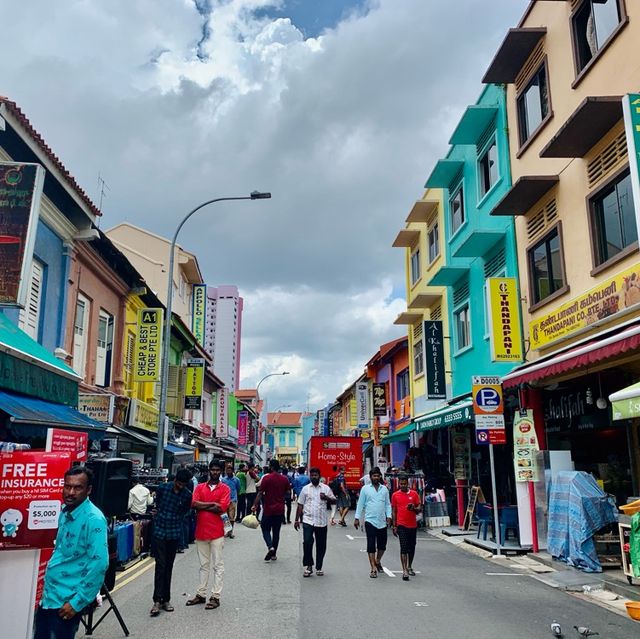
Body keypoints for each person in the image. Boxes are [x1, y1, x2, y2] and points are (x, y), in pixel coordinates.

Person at [34, 466, 108, 639]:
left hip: (66, 604)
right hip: (49, 598)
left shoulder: (94, 519)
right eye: (67, 486)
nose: (71, 492)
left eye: (78, 487)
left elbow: (99, 564)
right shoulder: (64, 512)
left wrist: (77, 603)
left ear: (88, 490)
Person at [186, 459, 231, 610]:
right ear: (209, 470)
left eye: (218, 470)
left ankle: (215, 596)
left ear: (221, 471)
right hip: (201, 531)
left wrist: (202, 505)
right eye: (213, 469)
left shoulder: (225, 488)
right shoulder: (199, 487)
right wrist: (212, 504)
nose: (215, 472)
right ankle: (201, 594)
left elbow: (222, 508)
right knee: (203, 565)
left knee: (218, 565)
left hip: (217, 532)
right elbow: (193, 504)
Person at [150, 468, 193, 617]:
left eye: (183, 485)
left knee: (169, 566)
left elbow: (186, 512)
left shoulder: (187, 495)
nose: (180, 487)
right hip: (160, 530)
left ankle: (166, 600)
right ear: (175, 480)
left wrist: (176, 518)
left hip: (174, 532)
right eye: (178, 483)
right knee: (160, 565)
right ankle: (156, 600)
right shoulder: (163, 488)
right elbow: (158, 505)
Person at [294, 467, 336, 577]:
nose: (314, 477)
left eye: (316, 475)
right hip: (308, 520)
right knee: (307, 542)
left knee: (321, 545)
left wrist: (326, 497)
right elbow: (300, 504)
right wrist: (296, 519)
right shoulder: (305, 489)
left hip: (321, 521)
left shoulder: (326, 488)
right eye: (312, 475)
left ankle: (319, 567)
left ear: (319, 476)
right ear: (310, 476)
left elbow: (334, 500)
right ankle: (308, 566)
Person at [354, 467, 391, 579]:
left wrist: (389, 516)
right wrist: (357, 518)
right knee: (371, 544)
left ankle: (377, 561)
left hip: (382, 521)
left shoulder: (384, 489)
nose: (376, 477)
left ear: (380, 476)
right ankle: (373, 568)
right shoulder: (365, 489)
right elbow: (360, 504)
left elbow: (387, 504)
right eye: (374, 476)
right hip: (370, 520)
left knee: (382, 545)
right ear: (370, 477)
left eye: (377, 475)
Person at [252, 458, 291, 561]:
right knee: (276, 532)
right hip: (280, 509)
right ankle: (274, 554)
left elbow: (260, 493)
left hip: (268, 509)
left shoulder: (267, 478)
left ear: (271, 467)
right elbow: (288, 493)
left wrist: (255, 505)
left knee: (265, 528)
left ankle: (270, 547)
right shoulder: (284, 479)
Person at [391, 473, 422, 581]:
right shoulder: (395, 495)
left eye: (405, 483)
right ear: (399, 483)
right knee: (403, 547)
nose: (403, 485)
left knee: (412, 546)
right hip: (401, 525)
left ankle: (409, 566)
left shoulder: (414, 494)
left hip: (412, 524)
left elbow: (419, 508)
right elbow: (394, 511)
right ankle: (404, 570)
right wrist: (394, 525)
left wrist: (413, 508)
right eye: (401, 484)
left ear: (408, 483)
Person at [221, 463, 240, 538]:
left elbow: (238, 489)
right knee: (225, 517)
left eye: (229, 470)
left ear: (232, 471)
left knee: (232, 517)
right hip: (225, 500)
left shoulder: (236, 480)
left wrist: (235, 497)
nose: (228, 472)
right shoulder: (223, 480)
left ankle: (231, 532)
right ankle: (227, 531)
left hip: (233, 500)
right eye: (227, 470)